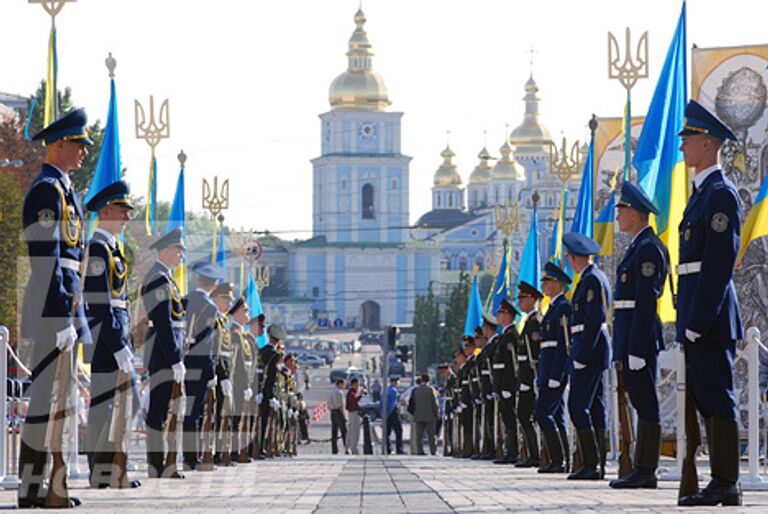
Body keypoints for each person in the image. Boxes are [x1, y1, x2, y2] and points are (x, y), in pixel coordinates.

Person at [18, 109, 94, 508]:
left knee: (54, 401)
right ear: (59, 144)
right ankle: (39, 489)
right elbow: (44, 258)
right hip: (53, 308)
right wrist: (62, 316)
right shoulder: (47, 189)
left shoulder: (64, 190)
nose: (84, 152)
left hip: (64, 305)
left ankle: (37, 489)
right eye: (78, 145)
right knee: (47, 402)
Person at [676, 101, 743, 507]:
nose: (682, 147)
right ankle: (720, 481)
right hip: (698, 314)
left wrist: (699, 319)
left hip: (712, 317)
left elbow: (718, 267)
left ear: (706, 144)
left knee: (718, 397)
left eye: (688, 140)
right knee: (705, 397)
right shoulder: (701, 195)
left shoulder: (720, 195)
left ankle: (726, 483)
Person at [609, 182, 669, 489]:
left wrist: (634, 348)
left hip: (640, 340)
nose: (617, 216)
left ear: (634, 212)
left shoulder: (648, 248)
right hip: (631, 338)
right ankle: (641, 467)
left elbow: (646, 301)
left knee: (646, 403)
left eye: (621, 210)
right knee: (641, 402)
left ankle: (647, 469)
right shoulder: (638, 246)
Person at [83, 181, 140, 489]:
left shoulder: (113, 248)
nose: (127, 218)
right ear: (106, 211)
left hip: (117, 334)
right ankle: (101, 472)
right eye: (122, 211)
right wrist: (117, 343)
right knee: (104, 408)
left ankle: (116, 468)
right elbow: (99, 300)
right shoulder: (96, 248)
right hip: (106, 338)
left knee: (124, 406)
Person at [562, 232, 612, 480]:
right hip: (590, 348)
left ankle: (591, 463)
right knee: (594, 406)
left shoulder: (592, 279)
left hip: (590, 349)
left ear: (572, 259)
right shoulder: (590, 278)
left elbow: (594, 320)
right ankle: (597, 463)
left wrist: (582, 354)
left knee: (578, 405)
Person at [141, 227, 187, 479]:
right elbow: (163, 322)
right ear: (166, 251)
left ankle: (162, 463)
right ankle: (157, 464)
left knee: (166, 410)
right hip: (162, 354)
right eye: (178, 250)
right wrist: (174, 358)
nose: (181, 255)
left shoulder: (166, 278)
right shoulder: (158, 278)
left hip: (167, 353)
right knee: (159, 411)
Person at [182, 263, 225, 471]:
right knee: (196, 412)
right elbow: (205, 342)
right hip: (198, 365)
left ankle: (187, 456)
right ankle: (192, 457)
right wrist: (211, 371)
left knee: (185, 411)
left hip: (182, 360)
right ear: (214, 286)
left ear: (198, 281)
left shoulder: (185, 300)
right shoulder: (209, 306)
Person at [535, 261, 572, 474]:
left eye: (547, 282)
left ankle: (558, 459)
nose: (543, 286)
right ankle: (562, 460)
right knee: (555, 415)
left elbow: (564, 345)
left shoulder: (563, 308)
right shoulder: (553, 308)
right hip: (547, 371)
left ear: (558, 284)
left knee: (542, 413)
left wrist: (557, 374)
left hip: (554, 372)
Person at [515, 281, 543, 469]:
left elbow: (534, 356)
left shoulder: (535, 324)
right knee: (524, 415)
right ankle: (533, 453)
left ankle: (537, 454)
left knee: (526, 415)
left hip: (532, 377)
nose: (519, 303)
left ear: (532, 299)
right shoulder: (528, 323)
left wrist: (529, 380)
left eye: (522, 299)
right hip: (526, 378)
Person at [211, 282, 236, 466]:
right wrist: (222, 375)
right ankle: (212, 453)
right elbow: (215, 351)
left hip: (225, 376)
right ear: (217, 298)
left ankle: (221, 453)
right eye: (226, 299)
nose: (229, 304)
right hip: (217, 375)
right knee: (214, 415)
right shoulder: (213, 319)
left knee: (223, 416)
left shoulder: (224, 321)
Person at [493, 300, 520, 465]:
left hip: (507, 386)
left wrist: (507, 386)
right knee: (506, 418)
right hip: (501, 386)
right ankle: (509, 451)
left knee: (510, 419)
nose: (498, 316)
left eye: (500, 313)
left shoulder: (511, 336)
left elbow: (511, 365)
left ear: (508, 315)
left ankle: (513, 451)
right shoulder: (504, 336)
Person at [228, 297, 253, 463]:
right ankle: (232, 453)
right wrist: (244, 385)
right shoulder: (235, 334)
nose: (247, 313)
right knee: (235, 419)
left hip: (243, 384)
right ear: (236, 314)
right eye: (244, 310)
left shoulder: (242, 335)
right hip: (237, 384)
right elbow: (239, 365)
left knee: (240, 419)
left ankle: (237, 452)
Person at [256, 324, 284, 459]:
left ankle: (258, 448)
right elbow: (272, 377)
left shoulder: (261, 351)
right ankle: (260, 448)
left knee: (260, 421)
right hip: (267, 393)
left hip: (260, 390)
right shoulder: (275, 355)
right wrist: (272, 395)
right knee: (265, 422)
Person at [412, 373, 440, 455]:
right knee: (431, 435)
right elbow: (434, 403)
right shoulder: (431, 389)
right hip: (429, 415)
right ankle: (433, 451)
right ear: (429, 380)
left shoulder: (416, 390)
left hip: (418, 414)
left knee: (419, 435)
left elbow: (413, 403)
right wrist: (437, 413)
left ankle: (419, 450)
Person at [381, 377, 404, 454]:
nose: (398, 384)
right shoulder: (394, 391)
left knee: (387, 432)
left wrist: (384, 415)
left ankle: (388, 449)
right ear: (393, 382)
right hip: (393, 413)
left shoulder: (386, 390)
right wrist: (390, 413)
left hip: (386, 414)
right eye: (397, 382)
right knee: (399, 431)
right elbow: (393, 404)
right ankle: (399, 449)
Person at [329, 378, 348, 454]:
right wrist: (344, 416)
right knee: (344, 431)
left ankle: (334, 449)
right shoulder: (340, 393)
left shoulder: (332, 392)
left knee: (334, 432)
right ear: (340, 384)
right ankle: (346, 448)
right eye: (343, 384)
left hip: (333, 412)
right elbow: (341, 405)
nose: (344, 386)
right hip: (339, 412)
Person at [346, 377, 365, 454]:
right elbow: (354, 400)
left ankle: (348, 447)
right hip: (353, 413)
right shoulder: (351, 393)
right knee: (355, 432)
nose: (358, 386)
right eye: (357, 385)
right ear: (353, 384)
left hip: (353, 413)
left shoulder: (352, 392)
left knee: (351, 431)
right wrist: (360, 394)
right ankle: (353, 448)